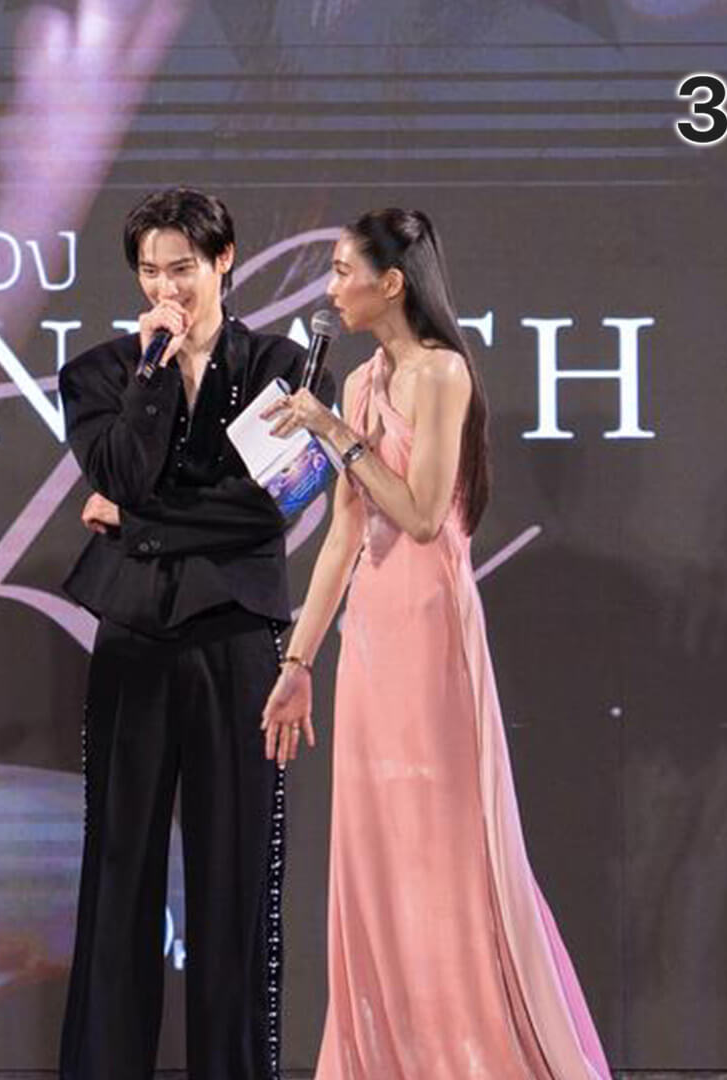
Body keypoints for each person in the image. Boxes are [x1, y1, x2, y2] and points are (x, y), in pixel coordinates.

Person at [261, 208, 610, 1079]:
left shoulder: (440, 373)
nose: (331, 289)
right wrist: (298, 661)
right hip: (371, 638)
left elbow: (420, 515)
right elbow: (343, 536)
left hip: (430, 633)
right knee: (376, 851)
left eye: (342, 272)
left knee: (440, 846)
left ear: (391, 283)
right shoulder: (357, 382)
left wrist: (335, 434)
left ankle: (469, 1054)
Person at [57, 187, 334, 1079]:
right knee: (119, 872)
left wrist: (137, 525)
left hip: (236, 638)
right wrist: (152, 377)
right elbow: (122, 471)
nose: (166, 288)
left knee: (234, 879)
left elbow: (268, 507)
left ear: (223, 260)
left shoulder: (284, 367)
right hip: (134, 638)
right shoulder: (101, 373)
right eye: (149, 271)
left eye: (182, 268)